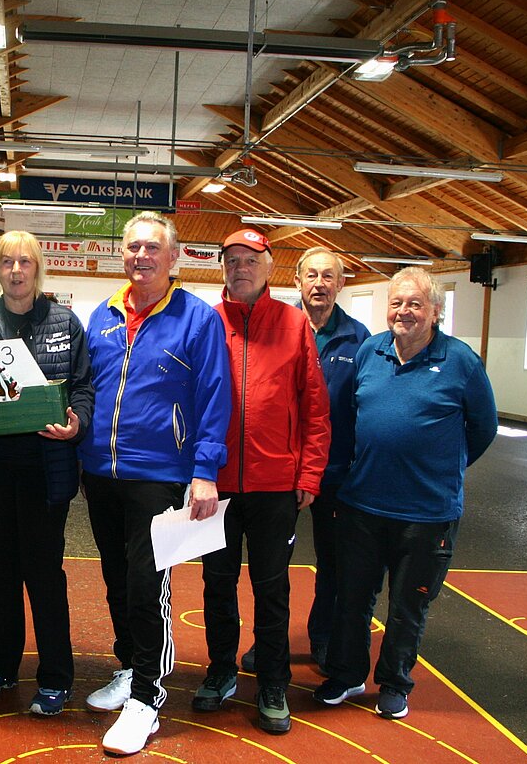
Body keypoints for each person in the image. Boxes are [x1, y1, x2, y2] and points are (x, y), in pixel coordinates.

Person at [78, 212, 232, 756]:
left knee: (148, 585)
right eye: (133, 247)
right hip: (101, 472)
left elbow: (215, 397)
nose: (141, 255)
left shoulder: (197, 319)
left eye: (152, 247)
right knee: (116, 578)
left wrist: (205, 470)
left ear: (173, 257)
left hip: (160, 474)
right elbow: (87, 389)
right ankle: (129, 667)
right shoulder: (103, 315)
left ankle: (147, 698)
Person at [314, 266, 497, 720]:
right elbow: (352, 415)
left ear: (435, 311)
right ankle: (347, 674)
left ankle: (395, 683)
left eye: (415, 303)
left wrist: (440, 467)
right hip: (361, 504)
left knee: (407, 606)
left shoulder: (461, 361)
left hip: (427, 513)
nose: (404, 311)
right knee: (352, 599)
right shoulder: (370, 350)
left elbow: (484, 428)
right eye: (396, 302)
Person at [0, 230, 93, 717]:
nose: (16, 270)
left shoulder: (64, 322)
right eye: (7, 261)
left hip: (45, 473)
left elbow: (83, 387)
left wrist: (77, 422)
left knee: (44, 575)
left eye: (25, 261)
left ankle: (56, 676)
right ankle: (1, 665)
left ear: (38, 268)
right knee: (1, 573)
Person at [196, 228, 330, 736]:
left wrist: (309, 472)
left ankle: (273, 682)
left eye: (251, 260)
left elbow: (315, 407)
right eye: (232, 260)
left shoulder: (294, 325)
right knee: (217, 583)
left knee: (272, 589)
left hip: (276, 484)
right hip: (217, 485)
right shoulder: (207, 322)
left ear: (270, 267)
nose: (241, 268)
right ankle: (221, 670)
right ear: (223, 268)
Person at [238, 246, 371, 673]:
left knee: (333, 563)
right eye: (311, 275)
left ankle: (323, 637)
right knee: (272, 568)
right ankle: (269, 642)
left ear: (341, 283)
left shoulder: (360, 339)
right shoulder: (280, 326)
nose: (319, 284)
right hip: (282, 472)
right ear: (297, 281)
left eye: (329, 276)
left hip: (336, 474)